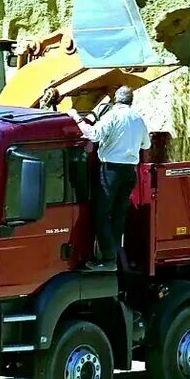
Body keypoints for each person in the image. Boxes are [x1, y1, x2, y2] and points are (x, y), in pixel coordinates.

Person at [68, 85, 151, 272]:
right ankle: (112, 257)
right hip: (130, 172)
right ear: (132, 100)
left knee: (100, 214)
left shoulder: (112, 116)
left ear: (116, 99)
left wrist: (76, 117)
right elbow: (146, 143)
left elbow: (93, 134)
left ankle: (108, 257)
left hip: (111, 170)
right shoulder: (138, 118)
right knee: (118, 215)